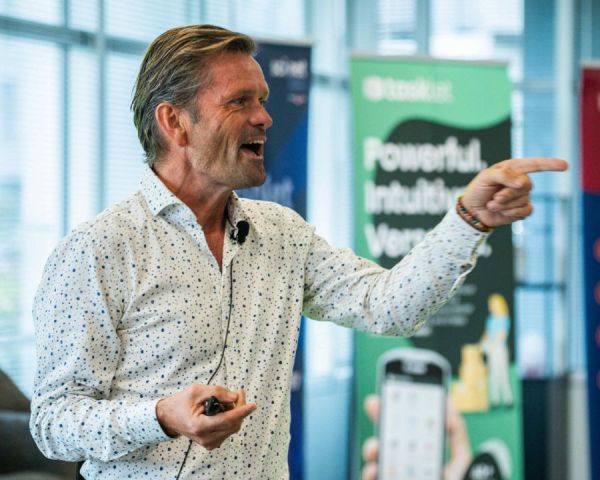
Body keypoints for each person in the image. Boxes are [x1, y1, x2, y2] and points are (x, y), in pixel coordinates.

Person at [29, 24, 567, 479]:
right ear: (174, 122)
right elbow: (53, 423)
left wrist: (470, 219)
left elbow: (389, 306)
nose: (265, 117)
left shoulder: (282, 234)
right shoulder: (100, 249)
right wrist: (161, 416)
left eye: (262, 99)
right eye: (240, 101)